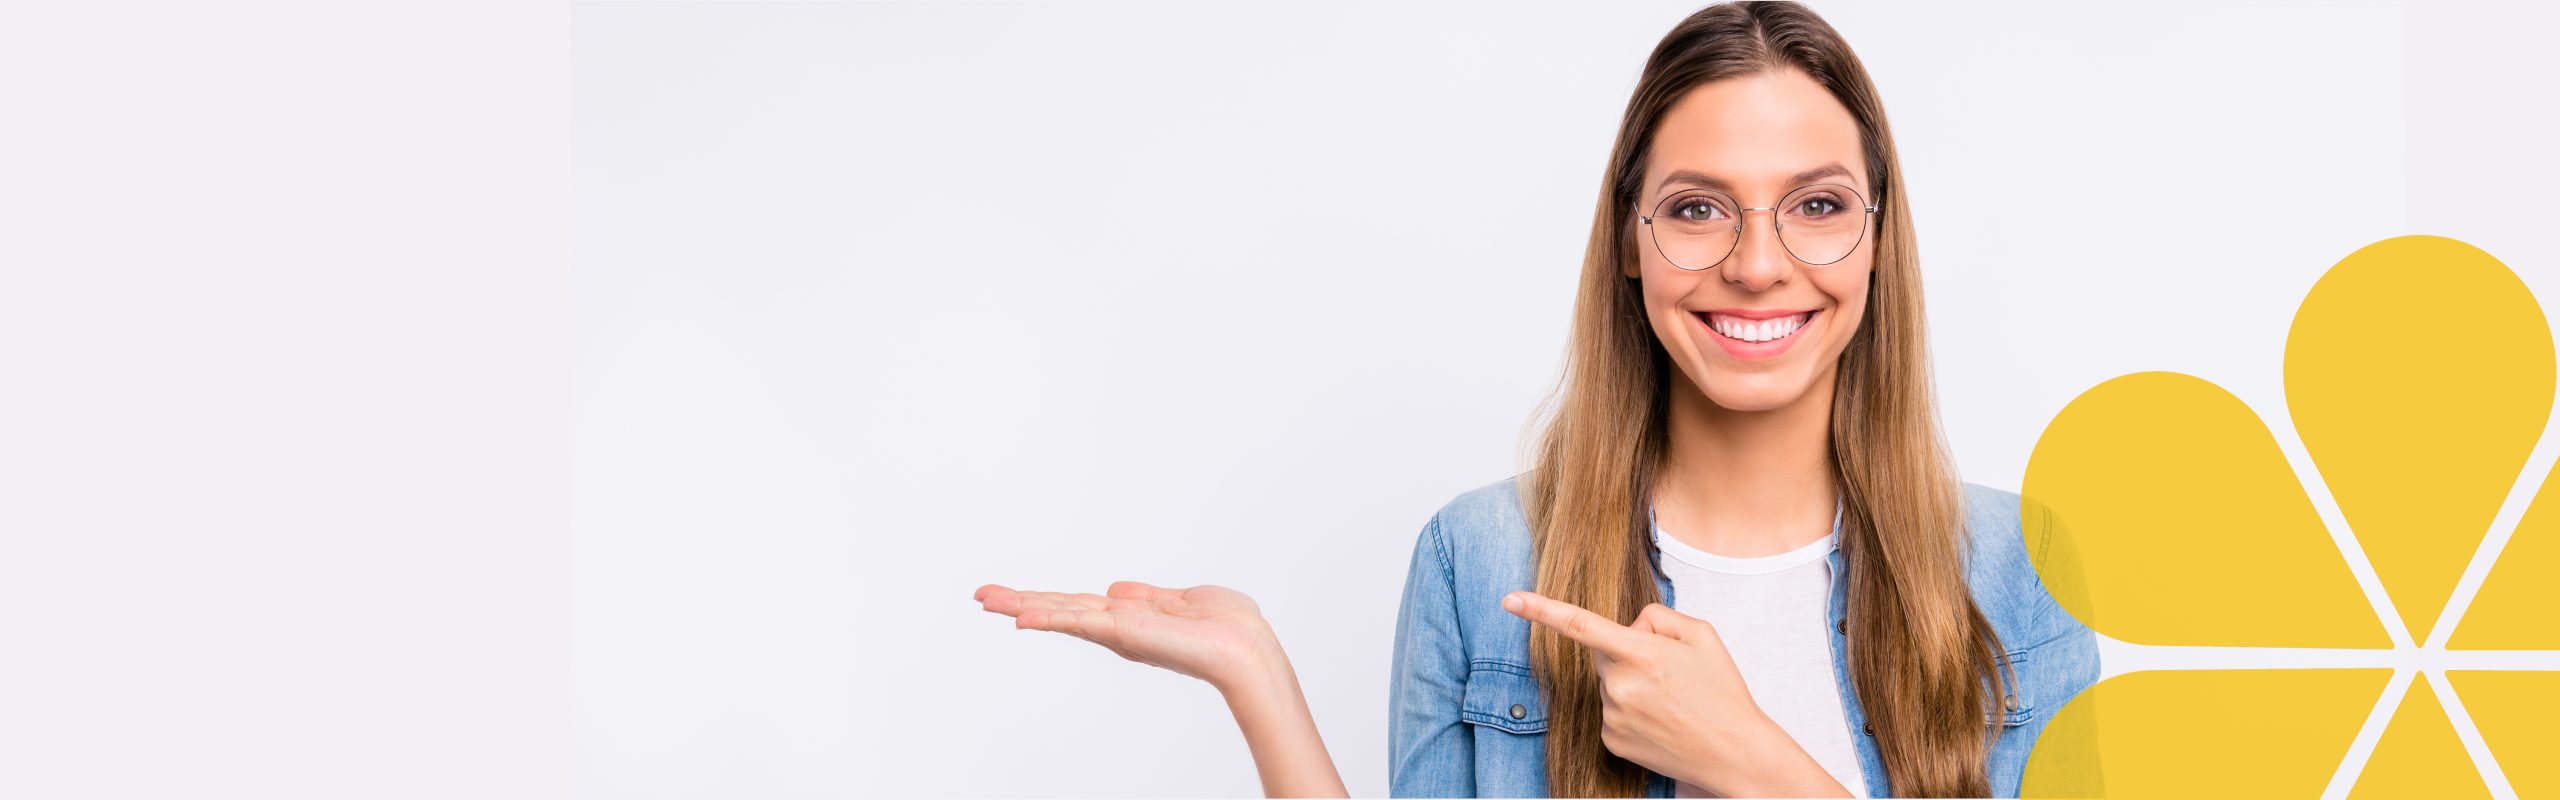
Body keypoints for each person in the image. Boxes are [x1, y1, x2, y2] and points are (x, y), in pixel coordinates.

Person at [975, 2, 2098, 796]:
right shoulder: (1482, 557)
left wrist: (1752, 761)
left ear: (1875, 240)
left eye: (1815, 205)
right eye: (1699, 208)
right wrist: (1258, 676)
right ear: (1629, 239)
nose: (1759, 264)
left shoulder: (2013, 567)